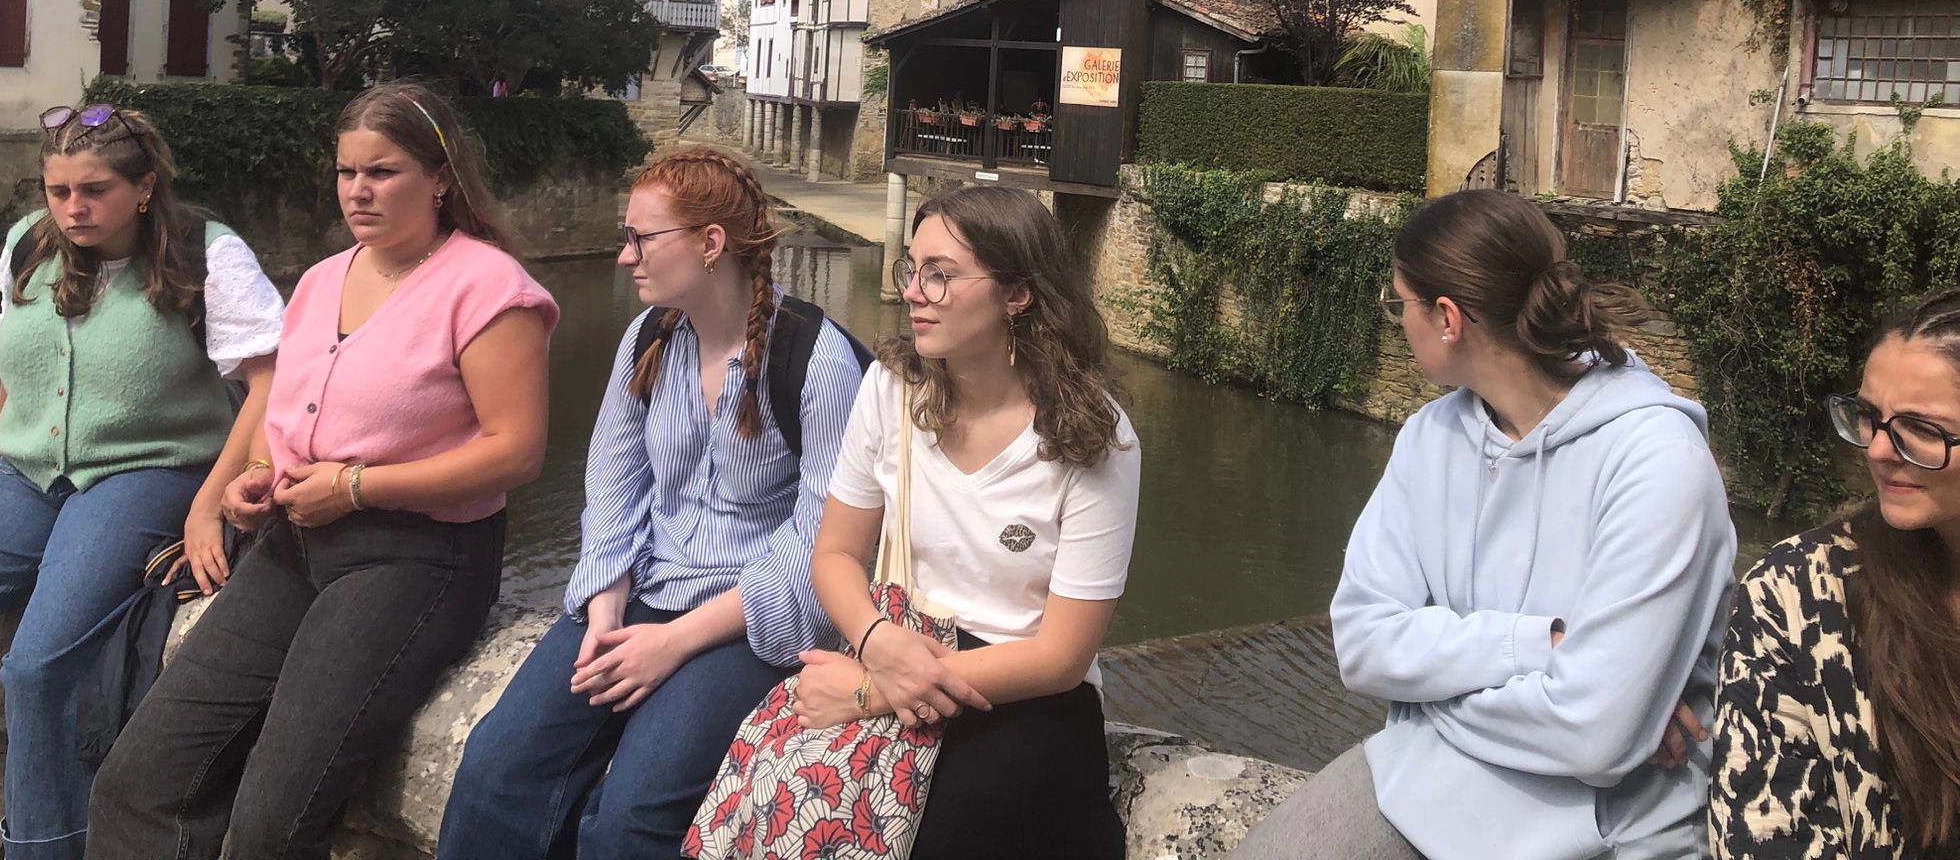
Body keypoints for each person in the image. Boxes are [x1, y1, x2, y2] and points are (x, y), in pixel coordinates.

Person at [87, 83, 556, 860]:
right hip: (295, 544)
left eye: (384, 172)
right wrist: (258, 478)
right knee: (136, 781)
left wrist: (357, 487)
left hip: (417, 558)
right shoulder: (321, 280)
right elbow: (287, 419)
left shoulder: (488, 289)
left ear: (440, 179)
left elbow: (517, 450)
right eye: (347, 173)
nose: (359, 191)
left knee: (271, 826)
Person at [1234, 188, 1736, 860]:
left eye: (1398, 304)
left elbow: (1594, 737)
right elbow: (1361, 641)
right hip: (1425, 778)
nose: (1396, 320)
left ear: (1447, 319)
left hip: (1603, 830)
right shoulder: (1428, 437)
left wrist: (1423, 695)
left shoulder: (1657, 462)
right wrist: (1542, 646)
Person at [436, 147, 863, 860]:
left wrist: (674, 641)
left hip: (745, 623)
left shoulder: (816, 362)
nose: (623, 256)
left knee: (629, 818)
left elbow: (817, 548)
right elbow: (612, 483)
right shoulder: (649, 337)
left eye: (641, 238)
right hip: (640, 593)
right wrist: (605, 607)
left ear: (710, 244)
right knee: (494, 772)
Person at [0, 104, 283, 860]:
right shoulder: (25, 247)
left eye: (96, 190)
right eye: (58, 190)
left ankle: (46, 848)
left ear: (144, 186)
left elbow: (275, 380)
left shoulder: (204, 254)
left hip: (148, 472)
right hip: (25, 477)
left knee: (39, 668)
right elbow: (22, 374)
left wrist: (209, 503)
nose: (73, 208)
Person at [801, 185, 1140, 860]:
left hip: (1024, 692)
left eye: (941, 275)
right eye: (912, 269)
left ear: (1017, 294)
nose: (913, 293)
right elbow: (835, 553)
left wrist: (871, 693)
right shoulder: (891, 389)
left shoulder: (1095, 439)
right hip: (904, 643)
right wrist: (873, 640)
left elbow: (1061, 657)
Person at [1710, 290, 1960, 859]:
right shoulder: (1798, 596)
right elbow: (1765, 836)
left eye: (1921, 429)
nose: (1876, 449)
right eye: (1869, 417)